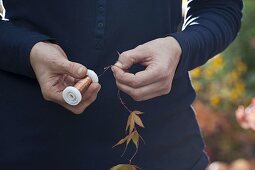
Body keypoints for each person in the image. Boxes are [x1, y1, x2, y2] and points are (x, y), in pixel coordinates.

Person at [0, 0, 243, 169]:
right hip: (28, 148)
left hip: (164, 151)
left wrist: (180, 48)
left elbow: (220, 6)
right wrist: (27, 51)